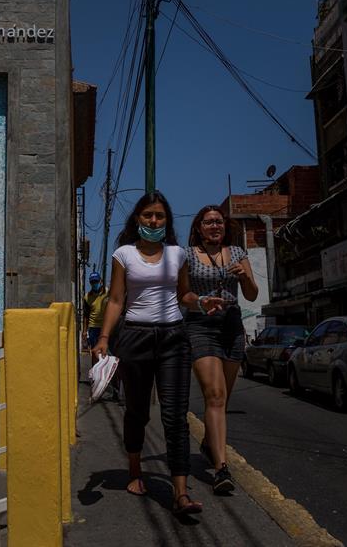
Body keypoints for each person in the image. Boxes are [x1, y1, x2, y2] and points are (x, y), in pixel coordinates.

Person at [92, 191, 221, 515]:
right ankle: (135, 470)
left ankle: (180, 493)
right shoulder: (124, 254)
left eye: (159, 216)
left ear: (166, 221)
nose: (153, 221)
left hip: (173, 338)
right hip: (135, 337)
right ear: (138, 219)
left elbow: (184, 293)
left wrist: (200, 301)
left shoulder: (177, 255)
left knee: (175, 416)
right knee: (137, 411)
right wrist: (104, 337)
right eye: (148, 215)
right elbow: (117, 299)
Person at [184, 205, 258, 494]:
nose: (214, 226)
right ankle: (221, 468)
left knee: (223, 399)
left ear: (224, 226)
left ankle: (208, 442)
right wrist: (200, 301)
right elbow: (183, 294)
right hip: (200, 326)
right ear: (199, 227)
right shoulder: (188, 255)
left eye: (218, 222)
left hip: (231, 327)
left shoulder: (238, 253)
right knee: (213, 395)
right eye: (208, 222)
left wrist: (244, 277)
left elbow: (251, 294)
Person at [82, 271, 121, 400]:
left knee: (112, 358)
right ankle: (96, 385)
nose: (95, 284)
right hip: (93, 329)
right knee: (96, 358)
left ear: (101, 281)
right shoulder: (87, 297)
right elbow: (86, 315)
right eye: (92, 282)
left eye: (96, 282)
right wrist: (84, 331)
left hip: (107, 328)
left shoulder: (107, 293)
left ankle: (116, 390)